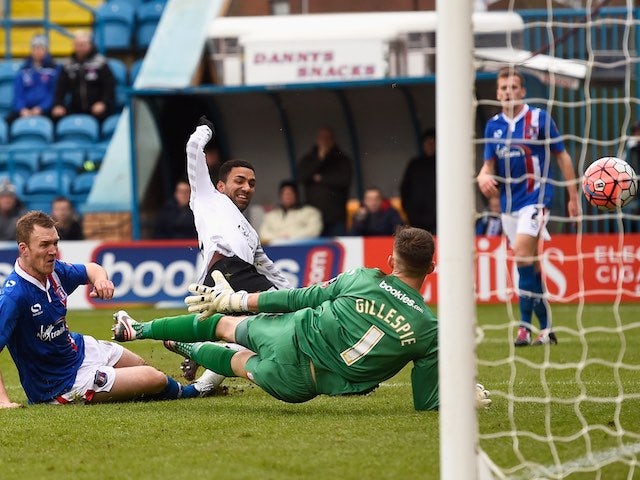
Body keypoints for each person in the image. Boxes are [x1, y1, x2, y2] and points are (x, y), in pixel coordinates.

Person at [113, 227, 493, 411]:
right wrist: (463, 399)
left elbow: (298, 297)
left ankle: (140, 329)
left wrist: (237, 300)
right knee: (236, 362)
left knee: (220, 323)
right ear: (431, 267)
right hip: (299, 382)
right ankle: (184, 346)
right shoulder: (430, 331)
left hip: (286, 333)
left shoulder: (363, 277)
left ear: (391, 262)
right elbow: (426, 402)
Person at [0, 211, 208, 408]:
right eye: (44, 245)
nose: (53, 251)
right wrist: (3, 401)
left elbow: (91, 268)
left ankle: (163, 390)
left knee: (140, 365)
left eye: (55, 243)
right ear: (23, 249)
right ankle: (192, 391)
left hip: (77, 349)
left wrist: (100, 280)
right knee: (153, 378)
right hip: (59, 384)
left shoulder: (54, 272)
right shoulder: (13, 296)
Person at [171, 117, 292, 388]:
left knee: (253, 338)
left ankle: (201, 379)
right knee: (280, 325)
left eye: (251, 183)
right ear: (220, 186)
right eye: (240, 180)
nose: (247, 187)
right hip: (225, 269)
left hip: (228, 280)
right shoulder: (206, 197)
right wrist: (206, 128)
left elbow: (269, 269)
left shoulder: (250, 232)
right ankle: (198, 347)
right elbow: (193, 148)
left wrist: (296, 296)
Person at [477, 67, 579, 347]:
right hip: (509, 204)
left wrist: (573, 196)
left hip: (536, 199)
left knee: (521, 256)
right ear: (497, 93)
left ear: (522, 91)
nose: (507, 92)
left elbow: (562, 156)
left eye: (513, 87)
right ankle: (547, 329)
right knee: (530, 264)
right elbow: (487, 165)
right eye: (503, 88)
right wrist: (483, 175)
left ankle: (523, 328)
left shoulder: (539, 119)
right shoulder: (493, 126)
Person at [297, 127, 352, 236]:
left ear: (333, 140)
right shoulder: (308, 159)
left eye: (327, 138)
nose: (324, 142)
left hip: (336, 216)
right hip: (312, 216)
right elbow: (302, 177)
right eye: (321, 139)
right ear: (317, 140)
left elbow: (345, 180)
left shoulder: (342, 159)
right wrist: (320, 159)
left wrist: (321, 178)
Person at [51, 30, 115, 122]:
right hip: (75, 108)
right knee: (56, 116)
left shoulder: (101, 63)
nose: (80, 47)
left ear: (90, 45)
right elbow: (60, 88)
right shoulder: (67, 64)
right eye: (77, 44)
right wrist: (58, 105)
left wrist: (103, 103)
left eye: (83, 44)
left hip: (97, 106)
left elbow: (109, 86)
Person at [6, 34, 59, 124]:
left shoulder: (53, 70)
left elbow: (53, 93)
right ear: (31, 50)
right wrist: (22, 109)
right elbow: (18, 92)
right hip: (25, 109)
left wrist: (41, 108)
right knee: (8, 121)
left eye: (41, 48)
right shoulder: (23, 70)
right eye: (35, 48)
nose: (38, 51)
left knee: (57, 119)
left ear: (46, 50)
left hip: (44, 109)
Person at [259, 179, 323, 244]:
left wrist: (290, 237)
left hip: (300, 249)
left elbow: (314, 231)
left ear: (296, 195)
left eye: (290, 193)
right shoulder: (271, 215)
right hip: (276, 250)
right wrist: (280, 238)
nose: (287, 196)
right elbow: (263, 233)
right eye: (284, 194)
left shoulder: (310, 212)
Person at [400, 128, 437, 233]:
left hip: (439, 217)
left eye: (433, 142)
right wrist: (408, 209)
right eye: (427, 142)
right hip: (416, 218)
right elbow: (404, 188)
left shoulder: (443, 163)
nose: (430, 145)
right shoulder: (414, 164)